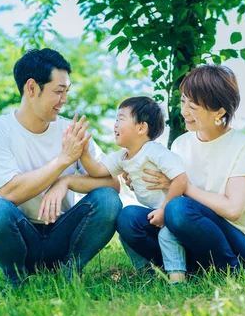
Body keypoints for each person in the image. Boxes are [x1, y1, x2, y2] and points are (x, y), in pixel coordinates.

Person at [0, 48, 122, 287]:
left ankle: (71, 271)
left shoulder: (71, 131)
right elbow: (9, 193)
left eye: (67, 92)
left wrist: (65, 182)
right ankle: (17, 278)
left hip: (63, 234)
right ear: (32, 88)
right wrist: (63, 161)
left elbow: (112, 184)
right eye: (58, 91)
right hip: (22, 234)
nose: (64, 101)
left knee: (107, 200)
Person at [117, 65, 245, 282]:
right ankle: (176, 270)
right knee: (128, 216)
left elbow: (233, 209)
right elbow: (168, 194)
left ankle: (231, 270)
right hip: (189, 235)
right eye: (183, 101)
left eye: (194, 106)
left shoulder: (242, 145)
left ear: (219, 112)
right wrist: (143, 180)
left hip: (237, 244)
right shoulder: (181, 144)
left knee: (178, 209)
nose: (184, 111)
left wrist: (183, 187)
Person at [80, 96, 187, 274]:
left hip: (172, 212)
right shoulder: (122, 157)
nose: (115, 124)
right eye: (115, 119)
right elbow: (98, 171)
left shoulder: (154, 151)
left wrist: (164, 210)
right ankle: (146, 272)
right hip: (153, 212)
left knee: (167, 236)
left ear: (141, 127)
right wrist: (83, 152)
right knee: (125, 234)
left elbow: (180, 179)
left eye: (121, 119)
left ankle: (178, 279)